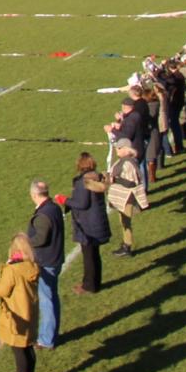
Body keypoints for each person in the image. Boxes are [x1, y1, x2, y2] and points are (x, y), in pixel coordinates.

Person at [0, 233, 40, 372]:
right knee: (28, 347)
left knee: (19, 349)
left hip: (17, 314)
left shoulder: (13, 269)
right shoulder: (31, 266)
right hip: (30, 313)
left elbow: (2, 291)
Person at [62, 152, 110, 294]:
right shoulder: (98, 178)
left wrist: (65, 201)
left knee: (89, 256)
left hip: (87, 223)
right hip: (97, 221)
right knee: (94, 255)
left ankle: (89, 285)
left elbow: (81, 203)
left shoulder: (83, 182)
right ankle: (95, 283)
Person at [25, 180, 64, 351]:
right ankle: (50, 334)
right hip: (54, 258)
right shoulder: (54, 208)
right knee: (51, 298)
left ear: (34, 195)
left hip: (46, 262)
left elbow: (41, 238)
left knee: (47, 301)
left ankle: (47, 339)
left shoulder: (43, 215)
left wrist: (24, 244)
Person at [107, 142, 150, 257]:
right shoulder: (124, 160)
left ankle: (127, 246)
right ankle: (126, 243)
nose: (117, 149)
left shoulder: (128, 163)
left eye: (119, 147)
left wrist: (115, 180)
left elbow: (131, 182)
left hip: (127, 197)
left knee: (125, 221)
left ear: (126, 149)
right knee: (123, 221)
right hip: (124, 197)